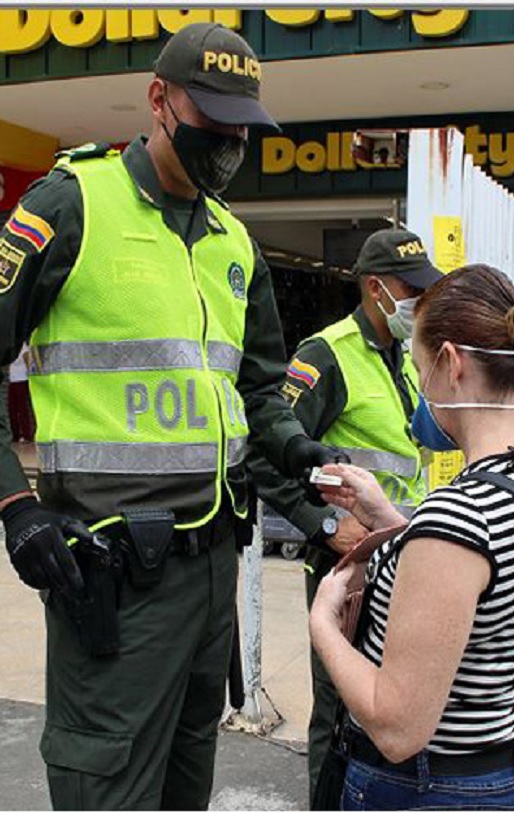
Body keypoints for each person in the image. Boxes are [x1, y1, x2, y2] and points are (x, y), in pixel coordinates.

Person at [0, 22, 339, 810]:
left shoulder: (235, 241)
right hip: (115, 574)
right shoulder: (69, 205)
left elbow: (256, 389)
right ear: (159, 100)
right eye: (211, 122)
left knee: (188, 783)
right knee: (108, 786)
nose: (226, 143)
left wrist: (298, 451)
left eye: (241, 130)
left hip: (210, 571)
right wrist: (16, 506)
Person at [309, 264, 514, 810]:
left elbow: (397, 727)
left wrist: (324, 626)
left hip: (430, 788)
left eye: (419, 369)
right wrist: (391, 520)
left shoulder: (460, 515)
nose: (420, 392)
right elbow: (484, 587)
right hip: (510, 767)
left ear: (452, 364)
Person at [255, 227, 442, 804]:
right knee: (339, 713)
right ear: (375, 287)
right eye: (410, 289)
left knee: (383, 709)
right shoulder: (326, 356)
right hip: (349, 568)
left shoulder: (403, 358)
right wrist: (325, 526)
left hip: (399, 560)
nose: (420, 300)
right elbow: (263, 454)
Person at [8, 343, 35, 442]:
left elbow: (28, 361)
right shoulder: (10, 346)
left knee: (22, 409)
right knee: (12, 409)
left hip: (22, 379)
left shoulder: (23, 347)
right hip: (12, 380)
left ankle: (27, 435)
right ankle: (15, 435)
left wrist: (30, 376)